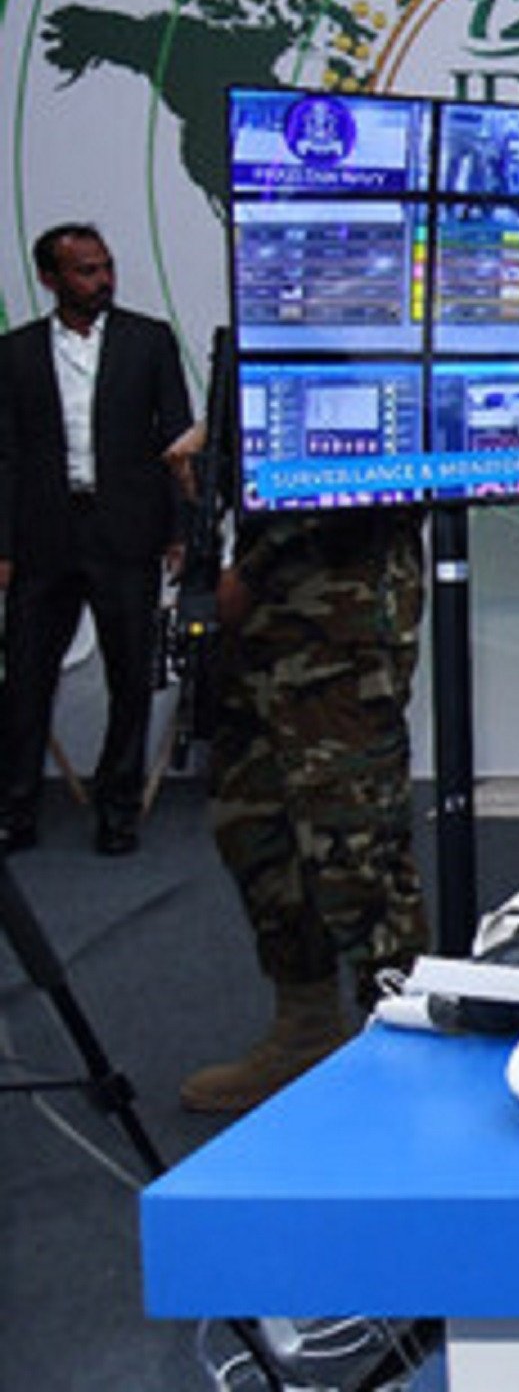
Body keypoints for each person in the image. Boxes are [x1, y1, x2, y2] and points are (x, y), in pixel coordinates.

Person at [179, 505, 428, 1113]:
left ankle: (408, 1051)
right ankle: (306, 1029)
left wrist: (251, 574)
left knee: (354, 837)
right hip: (265, 624)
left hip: (344, 609)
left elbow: (359, 474)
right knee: (253, 822)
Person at [0, 222, 194, 856]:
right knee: (26, 678)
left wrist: (179, 529)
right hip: (43, 534)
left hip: (126, 531)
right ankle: (16, 809)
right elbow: (5, 456)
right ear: (50, 278)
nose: (102, 280)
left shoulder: (149, 341)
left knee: (130, 678)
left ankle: (118, 810)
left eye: (106, 267)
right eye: (85, 270)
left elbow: (178, 444)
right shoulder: (16, 353)